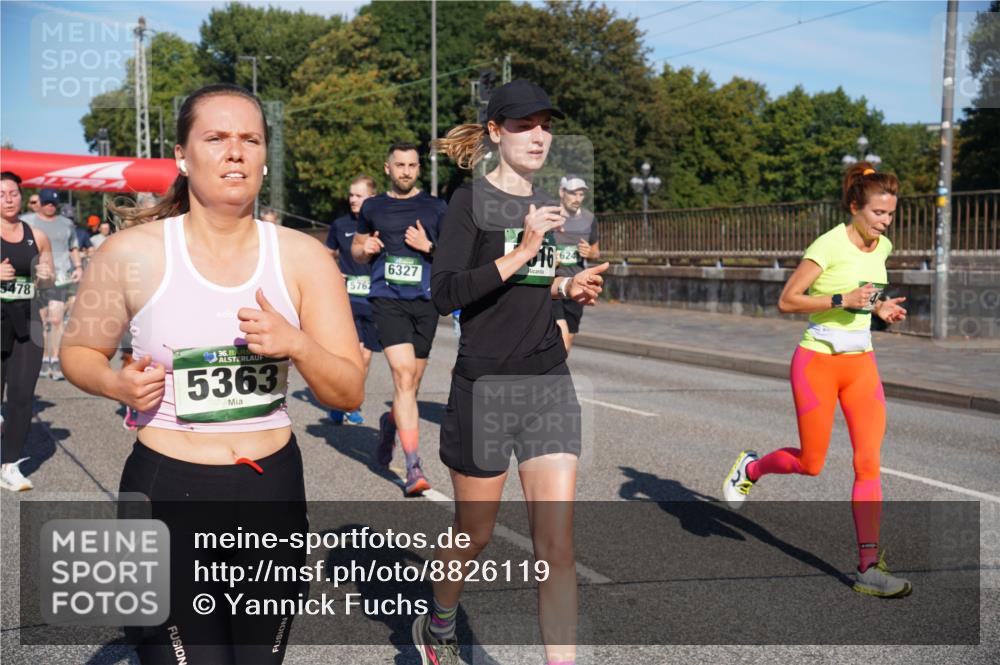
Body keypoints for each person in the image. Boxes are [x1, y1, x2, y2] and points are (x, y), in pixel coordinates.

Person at [60, 83, 365, 664]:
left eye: (250, 139)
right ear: (181, 154)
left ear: (265, 157)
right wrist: (115, 384)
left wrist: (296, 344)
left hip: (271, 491)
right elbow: (78, 352)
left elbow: (347, 389)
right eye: (216, 137)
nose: (235, 152)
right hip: (164, 490)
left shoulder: (303, 257)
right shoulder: (128, 254)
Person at [418, 79, 609, 665]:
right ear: (496, 132)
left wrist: (564, 284)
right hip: (486, 387)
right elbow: (445, 292)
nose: (539, 136)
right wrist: (524, 251)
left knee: (556, 546)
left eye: (546, 124)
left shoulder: (545, 200)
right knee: (473, 534)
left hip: (548, 381)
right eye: (524, 125)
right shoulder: (467, 203)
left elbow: (528, 288)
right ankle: (441, 625)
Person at [722, 162, 910, 598]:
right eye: (878, 214)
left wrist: (879, 308)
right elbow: (787, 301)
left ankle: (868, 566)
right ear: (854, 207)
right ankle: (752, 467)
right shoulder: (826, 245)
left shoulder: (882, 247)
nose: (884, 223)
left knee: (868, 463)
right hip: (817, 362)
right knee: (812, 463)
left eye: (890, 215)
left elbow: (868, 291)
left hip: (861, 364)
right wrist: (841, 299)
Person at [351, 141, 447, 496]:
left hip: (425, 303)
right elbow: (357, 250)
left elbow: (455, 257)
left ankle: (389, 424)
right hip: (387, 299)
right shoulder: (373, 207)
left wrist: (430, 248)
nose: (406, 171)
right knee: (403, 374)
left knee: (411, 386)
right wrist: (366, 249)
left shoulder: (437, 207)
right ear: (387, 168)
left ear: (419, 169)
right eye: (400, 165)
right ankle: (413, 466)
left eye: (413, 165)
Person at [1, 172, 54, 491]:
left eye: (13, 193)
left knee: (22, 396)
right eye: (2, 193)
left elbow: (47, 283)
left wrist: (46, 276)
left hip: (28, 322)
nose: (8, 198)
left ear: (22, 197)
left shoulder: (37, 234)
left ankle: (10, 465)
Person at [325, 175, 380, 425]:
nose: (353, 199)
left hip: (375, 300)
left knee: (366, 357)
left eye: (358, 195)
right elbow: (326, 255)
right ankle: (344, 401)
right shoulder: (340, 225)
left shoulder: (382, 224)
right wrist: (334, 273)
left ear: (372, 198)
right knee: (352, 354)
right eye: (351, 195)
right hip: (347, 301)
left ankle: (352, 400)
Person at [22, 188, 81, 380]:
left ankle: (55, 359)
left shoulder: (67, 224)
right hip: (37, 277)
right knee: (41, 320)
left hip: (61, 277)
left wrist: (78, 266)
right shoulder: (28, 221)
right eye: (47, 203)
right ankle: (42, 358)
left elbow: (73, 247)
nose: (50, 206)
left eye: (53, 203)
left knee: (56, 320)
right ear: (40, 202)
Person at [552, 175, 599, 352]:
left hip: (577, 283)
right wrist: (549, 256)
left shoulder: (589, 219)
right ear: (562, 192)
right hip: (552, 284)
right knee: (561, 335)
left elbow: (596, 251)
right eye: (573, 193)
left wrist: (589, 252)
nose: (577, 198)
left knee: (569, 337)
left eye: (581, 194)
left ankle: (553, 373)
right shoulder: (550, 215)